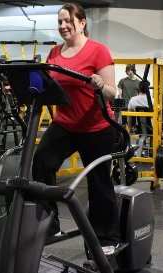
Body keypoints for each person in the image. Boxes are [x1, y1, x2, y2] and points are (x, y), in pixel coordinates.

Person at [32, 3, 121, 254]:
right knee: (42, 162)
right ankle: (50, 225)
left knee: (99, 181)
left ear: (82, 23)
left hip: (97, 126)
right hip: (66, 124)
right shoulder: (54, 53)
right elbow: (47, 86)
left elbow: (113, 93)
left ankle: (106, 238)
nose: (62, 26)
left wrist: (100, 85)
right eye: (59, 22)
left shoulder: (98, 51)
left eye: (68, 21)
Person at [127, 81, 163, 154]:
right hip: (152, 127)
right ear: (148, 89)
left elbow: (129, 115)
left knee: (145, 128)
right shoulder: (153, 100)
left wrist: (130, 127)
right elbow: (158, 115)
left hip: (140, 128)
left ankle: (143, 150)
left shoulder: (133, 100)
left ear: (139, 89)